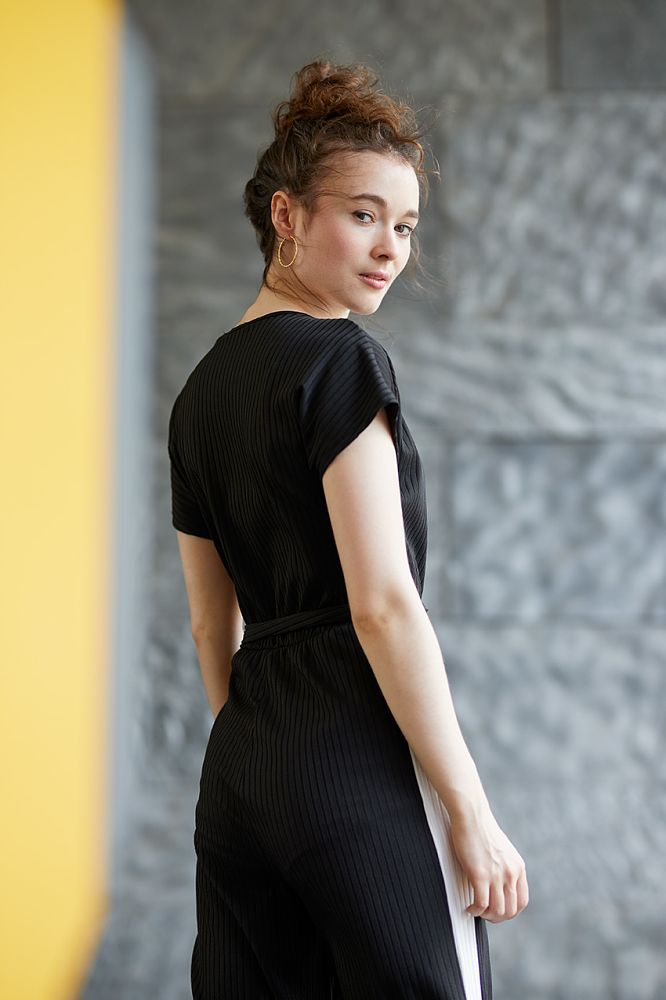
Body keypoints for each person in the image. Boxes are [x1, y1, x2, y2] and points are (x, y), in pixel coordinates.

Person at [168, 58, 528, 1000]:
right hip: (355, 757)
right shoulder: (339, 362)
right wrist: (470, 810)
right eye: (364, 214)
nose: (390, 249)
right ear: (286, 215)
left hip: (242, 775)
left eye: (404, 226)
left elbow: (210, 624)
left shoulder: (199, 396)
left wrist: (262, 749)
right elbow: (383, 606)